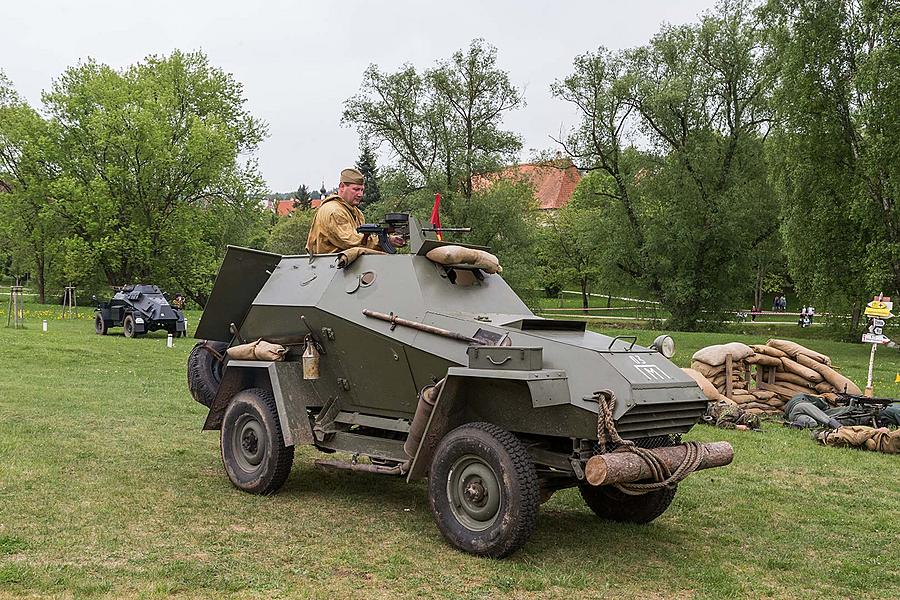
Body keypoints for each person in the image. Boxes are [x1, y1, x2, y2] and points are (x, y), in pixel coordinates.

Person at [305, 168, 405, 254]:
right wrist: (384, 241)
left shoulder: (356, 212)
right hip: (330, 267)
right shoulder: (334, 211)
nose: (360, 194)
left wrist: (388, 234)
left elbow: (362, 240)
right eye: (356, 189)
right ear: (342, 187)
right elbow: (351, 241)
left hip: (346, 266)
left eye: (362, 190)